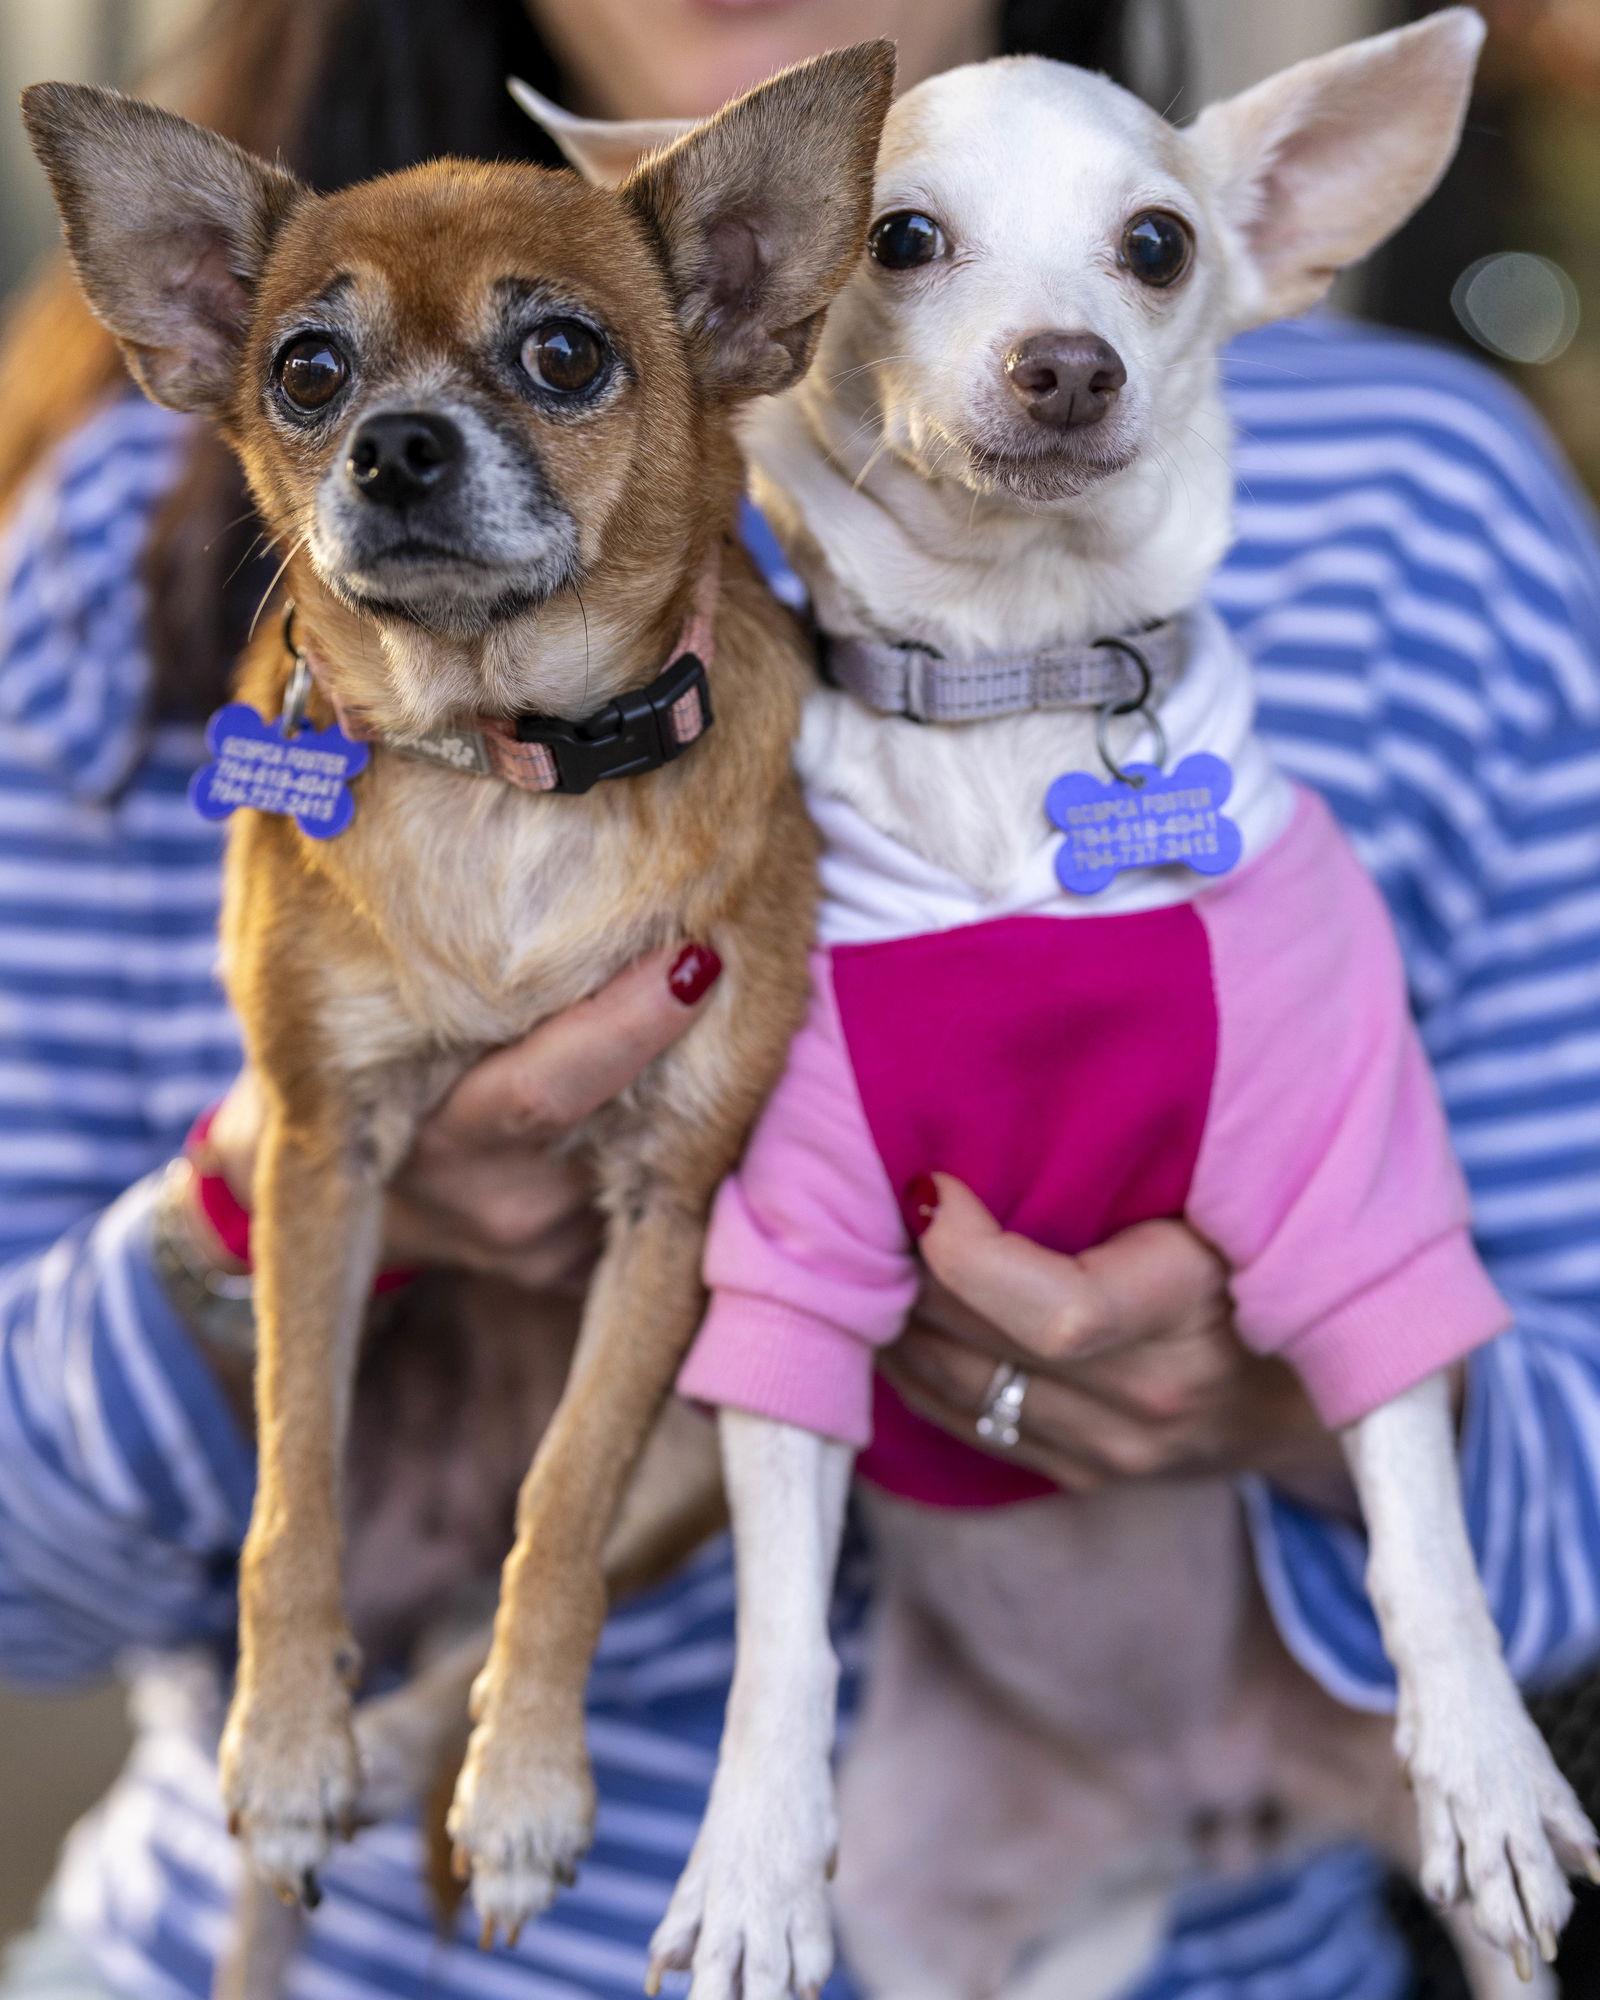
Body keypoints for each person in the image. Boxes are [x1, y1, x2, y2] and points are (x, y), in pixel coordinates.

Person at [1, 2, 1598, 1996]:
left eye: (566, 358)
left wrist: (1281, 1399)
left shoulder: (1423, 514)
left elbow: (1567, 1527)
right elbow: (13, 1578)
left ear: (733, 304)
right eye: (320, 377)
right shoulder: (115, 545)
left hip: (1128, 1922)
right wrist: (264, 1203)